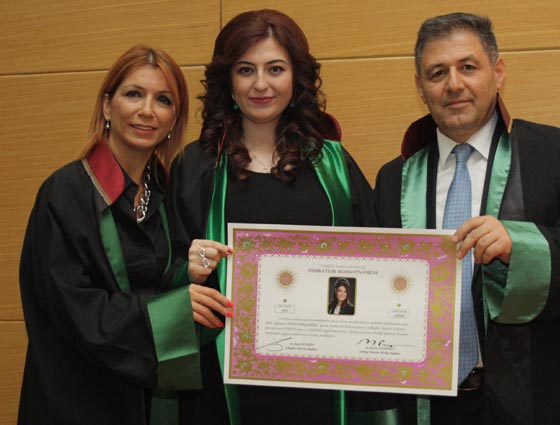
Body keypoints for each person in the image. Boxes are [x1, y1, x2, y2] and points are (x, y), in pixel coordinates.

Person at [373, 12, 560, 425]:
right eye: (437, 73)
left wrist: (521, 246)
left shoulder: (555, 152)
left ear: (498, 72)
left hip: (535, 394)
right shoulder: (395, 178)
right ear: (420, 88)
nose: (453, 84)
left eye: (468, 67)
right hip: (429, 404)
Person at [167, 8, 413, 425]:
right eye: (246, 70)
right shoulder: (196, 166)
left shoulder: (333, 164)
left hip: (323, 380)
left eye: (275, 69)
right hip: (226, 380)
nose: (261, 84)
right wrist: (186, 272)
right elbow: (162, 272)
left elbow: (378, 262)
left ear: (296, 78)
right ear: (228, 81)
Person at [18, 45, 232, 425]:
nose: (147, 110)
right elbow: (75, 310)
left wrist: (189, 274)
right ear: (106, 106)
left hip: (150, 403)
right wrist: (172, 312)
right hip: (79, 399)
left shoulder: (166, 193)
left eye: (163, 100)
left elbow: (156, 280)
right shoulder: (65, 193)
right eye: (134, 94)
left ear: (174, 119)